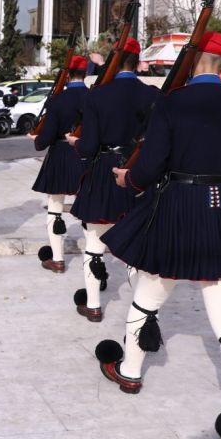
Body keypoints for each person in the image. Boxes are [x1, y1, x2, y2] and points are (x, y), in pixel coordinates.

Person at [96, 32, 221, 439]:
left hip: (178, 205)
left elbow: (153, 162)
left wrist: (131, 179)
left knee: (146, 301)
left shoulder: (173, 102)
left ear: (191, 60)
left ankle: (129, 370)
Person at [65, 38, 159, 321]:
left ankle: (93, 305)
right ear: (138, 61)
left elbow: (89, 145)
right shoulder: (152, 94)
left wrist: (75, 144)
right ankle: (140, 313)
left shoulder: (98, 95)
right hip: (138, 173)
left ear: (114, 62)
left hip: (104, 172)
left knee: (94, 245)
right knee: (135, 247)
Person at [28, 55, 90, 275]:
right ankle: (93, 257)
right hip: (86, 155)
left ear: (68, 74)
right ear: (85, 73)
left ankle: (58, 259)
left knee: (55, 208)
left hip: (61, 155)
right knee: (89, 211)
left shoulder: (58, 100)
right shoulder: (94, 97)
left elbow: (44, 139)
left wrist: (36, 139)